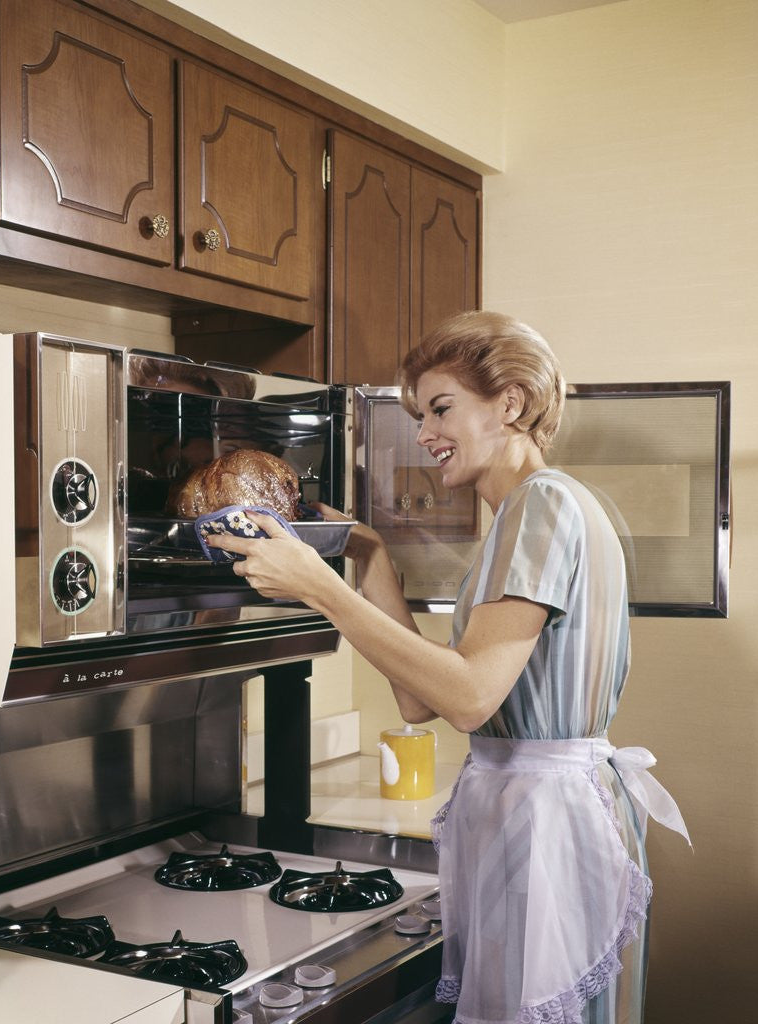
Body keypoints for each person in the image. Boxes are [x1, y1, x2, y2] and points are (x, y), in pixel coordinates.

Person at [206, 310, 690, 1024]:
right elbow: (419, 701)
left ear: (510, 403)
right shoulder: (526, 514)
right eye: (417, 415)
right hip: (528, 810)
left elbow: (467, 699)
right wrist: (366, 560)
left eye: (440, 409)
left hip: (545, 822)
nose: (424, 434)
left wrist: (317, 585)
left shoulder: (544, 504)